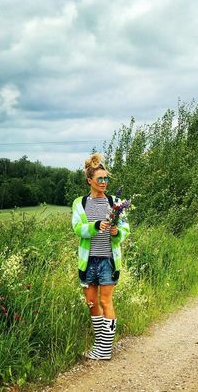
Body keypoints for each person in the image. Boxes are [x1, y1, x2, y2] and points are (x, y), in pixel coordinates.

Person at [71, 153, 130, 360]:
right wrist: (96, 226)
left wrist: (117, 233)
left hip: (108, 260)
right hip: (88, 261)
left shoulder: (116, 202)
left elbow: (125, 228)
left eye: (106, 179)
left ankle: (104, 351)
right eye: (100, 179)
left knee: (106, 301)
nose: (104, 182)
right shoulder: (80, 203)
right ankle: (99, 346)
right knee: (91, 303)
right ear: (90, 181)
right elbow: (77, 228)